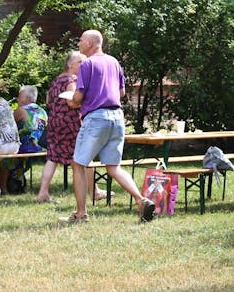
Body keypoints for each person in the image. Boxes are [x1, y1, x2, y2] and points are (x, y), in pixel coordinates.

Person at [66, 30, 158, 223]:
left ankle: (81, 213)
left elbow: (78, 97)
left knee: (78, 164)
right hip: (117, 117)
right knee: (114, 167)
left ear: (90, 43)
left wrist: (73, 101)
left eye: (81, 40)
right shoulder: (114, 62)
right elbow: (122, 92)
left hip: (96, 118)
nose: (79, 44)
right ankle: (142, 201)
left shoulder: (87, 64)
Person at [38, 51, 100, 204]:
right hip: (71, 123)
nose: (84, 66)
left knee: (52, 157)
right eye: (81, 62)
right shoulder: (73, 80)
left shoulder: (55, 80)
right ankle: (95, 191)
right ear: (70, 64)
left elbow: (48, 100)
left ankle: (42, 193)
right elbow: (72, 102)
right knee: (85, 155)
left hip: (54, 122)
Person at [14, 84, 47, 153]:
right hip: (40, 147)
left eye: (19, 96)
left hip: (24, 148)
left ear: (27, 98)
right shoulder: (43, 111)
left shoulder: (21, 110)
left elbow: (7, 124)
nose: (17, 99)